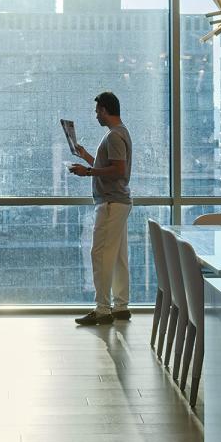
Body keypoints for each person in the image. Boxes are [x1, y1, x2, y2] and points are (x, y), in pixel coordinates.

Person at [68, 91, 133, 325]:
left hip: (111, 203)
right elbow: (111, 166)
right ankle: (121, 306)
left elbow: (118, 170)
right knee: (117, 257)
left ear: (105, 110)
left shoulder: (114, 136)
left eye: (97, 111)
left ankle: (103, 309)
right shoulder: (119, 133)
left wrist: (88, 172)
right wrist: (86, 157)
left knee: (101, 254)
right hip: (119, 202)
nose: (96, 115)